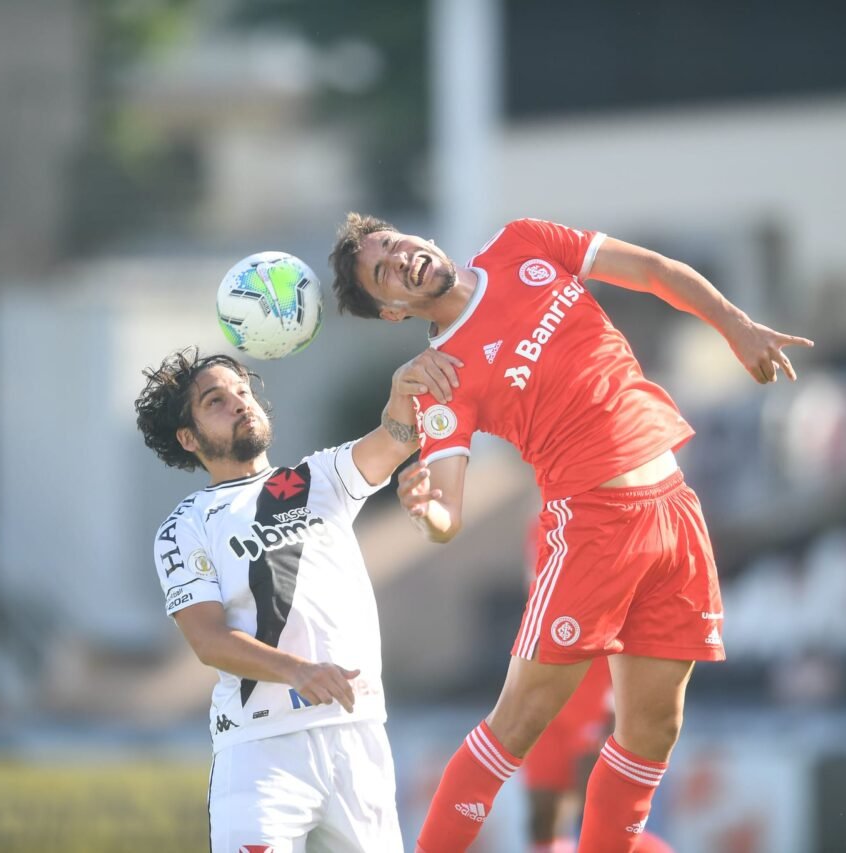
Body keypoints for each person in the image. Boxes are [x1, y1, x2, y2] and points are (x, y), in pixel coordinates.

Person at [328, 214, 813, 852]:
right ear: (392, 310)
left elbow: (652, 271)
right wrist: (425, 507)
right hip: (591, 527)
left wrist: (735, 324)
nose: (399, 260)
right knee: (520, 721)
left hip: (674, 510)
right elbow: (447, 510)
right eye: (383, 272)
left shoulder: (520, 241)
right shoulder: (440, 373)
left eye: (393, 245)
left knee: (653, 731)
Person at [134, 345, 461, 853]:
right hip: (260, 751)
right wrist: (297, 671)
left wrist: (404, 388)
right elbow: (208, 640)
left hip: (358, 735)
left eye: (243, 392)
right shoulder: (184, 527)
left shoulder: (320, 478)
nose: (240, 403)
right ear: (188, 437)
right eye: (215, 401)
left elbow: (398, 437)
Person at [519, 522, 676, 853]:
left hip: (596, 683)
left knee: (602, 813)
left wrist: (620, 690)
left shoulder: (618, 518)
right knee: (542, 814)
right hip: (547, 684)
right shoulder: (541, 526)